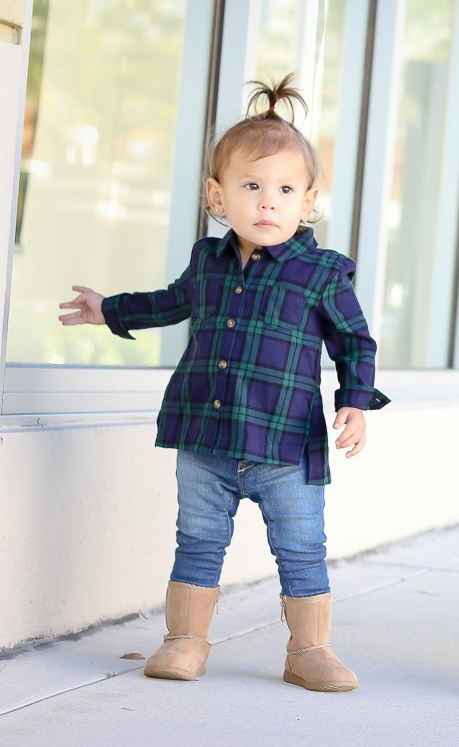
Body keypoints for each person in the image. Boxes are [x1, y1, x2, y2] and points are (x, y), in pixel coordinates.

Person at [58, 75, 389, 693]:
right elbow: (169, 303)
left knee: (301, 545)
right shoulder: (206, 263)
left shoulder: (321, 272)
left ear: (308, 201)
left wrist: (356, 404)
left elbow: (354, 342)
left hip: (286, 446)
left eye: (285, 190)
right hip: (205, 436)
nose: (268, 203)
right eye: (252, 187)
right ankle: (184, 639)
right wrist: (111, 310)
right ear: (216, 195)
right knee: (199, 538)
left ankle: (309, 649)